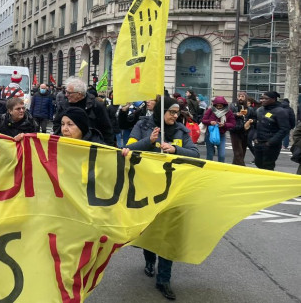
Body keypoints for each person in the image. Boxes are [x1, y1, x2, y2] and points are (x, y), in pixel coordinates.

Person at [127, 96, 199, 301]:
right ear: (161, 111)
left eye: (177, 113)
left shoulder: (181, 130)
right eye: (171, 112)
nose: (175, 116)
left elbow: (195, 154)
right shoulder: (143, 125)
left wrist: (176, 149)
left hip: (174, 190)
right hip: (146, 189)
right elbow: (127, 149)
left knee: (169, 235)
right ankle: (149, 261)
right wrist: (148, 141)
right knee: (150, 230)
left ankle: (164, 279)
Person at [52, 77, 114, 145]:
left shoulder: (96, 105)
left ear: (79, 94)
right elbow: (56, 124)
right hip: (67, 145)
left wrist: (107, 148)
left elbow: (107, 129)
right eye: (65, 92)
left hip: (90, 146)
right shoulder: (63, 105)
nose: (66, 95)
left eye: (69, 93)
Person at [244, 91, 290, 170]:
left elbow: (284, 129)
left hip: (271, 145)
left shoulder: (280, 111)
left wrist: (270, 142)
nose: (262, 100)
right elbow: (257, 124)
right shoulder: (260, 110)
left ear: (273, 99)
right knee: (258, 163)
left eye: (265, 99)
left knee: (268, 166)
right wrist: (254, 136)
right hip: (259, 142)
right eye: (261, 98)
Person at [201, 96, 235, 163]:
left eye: (220, 106)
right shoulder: (210, 110)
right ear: (214, 105)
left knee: (222, 155)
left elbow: (233, 123)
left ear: (224, 105)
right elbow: (203, 120)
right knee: (210, 155)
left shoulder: (228, 112)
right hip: (210, 134)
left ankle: (220, 169)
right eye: (217, 106)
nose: (218, 107)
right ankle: (209, 168)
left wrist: (224, 125)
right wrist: (210, 122)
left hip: (221, 134)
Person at [229, 92, 254, 166]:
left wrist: (251, 121)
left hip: (245, 131)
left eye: (242, 96)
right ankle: (243, 167)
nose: (240, 98)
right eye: (239, 96)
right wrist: (236, 114)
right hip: (235, 130)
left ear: (245, 98)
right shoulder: (233, 106)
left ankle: (234, 166)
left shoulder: (249, 109)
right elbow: (228, 115)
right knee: (238, 151)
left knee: (242, 151)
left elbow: (254, 117)